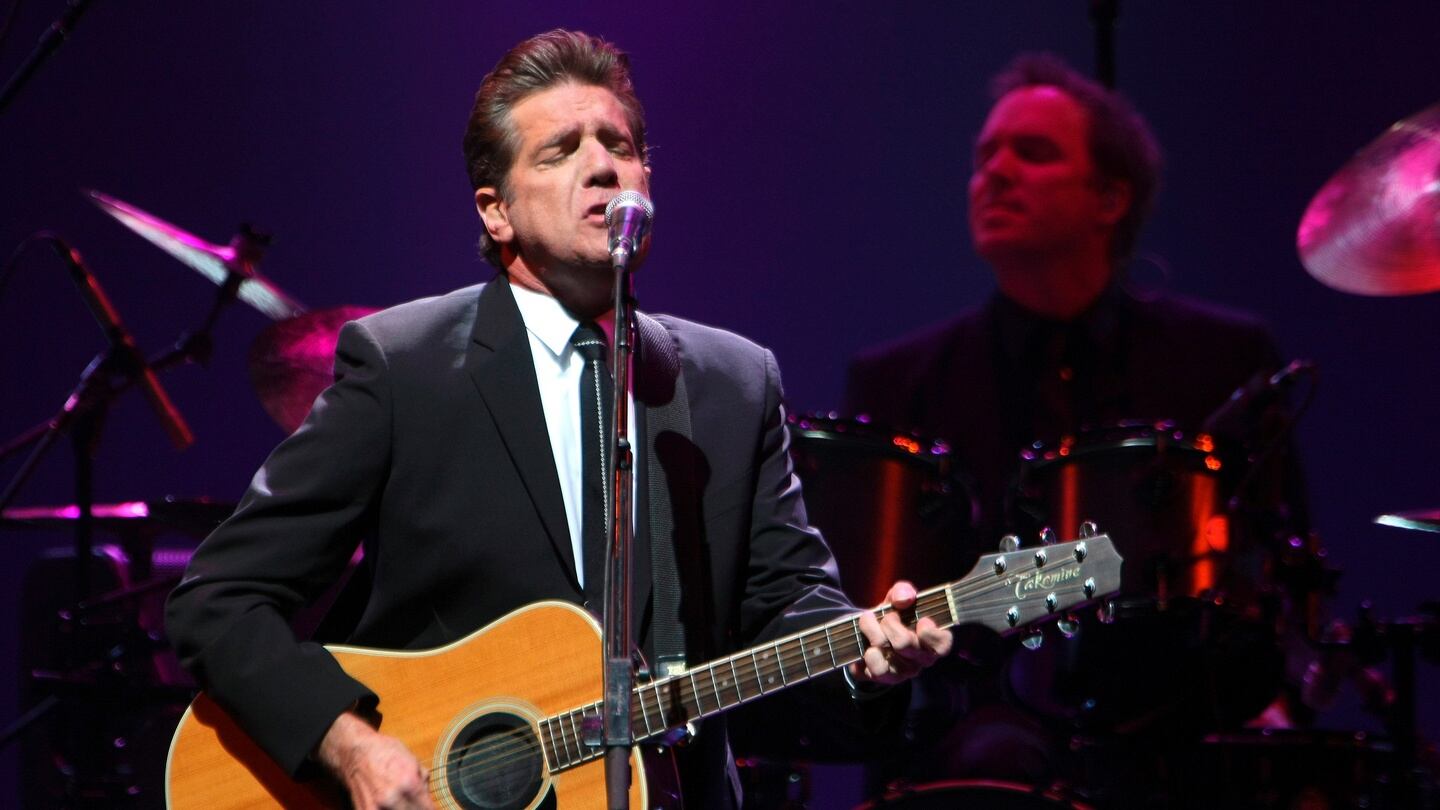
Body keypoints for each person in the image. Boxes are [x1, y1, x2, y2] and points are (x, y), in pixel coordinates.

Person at [166, 29, 949, 810]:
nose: (604, 167)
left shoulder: (731, 384)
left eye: (622, 145)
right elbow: (218, 599)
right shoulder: (405, 369)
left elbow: (791, 609)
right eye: (561, 150)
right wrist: (350, 743)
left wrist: (866, 655)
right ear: (496, 211)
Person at [844, 53, 1307, 797]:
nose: (993, 173)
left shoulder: (1225, 359)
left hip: (1185, 707)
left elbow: (1274, 580)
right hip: (974, 735)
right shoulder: (899, 382)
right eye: (983, 155)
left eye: (1032, 152)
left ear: (1110, 198)